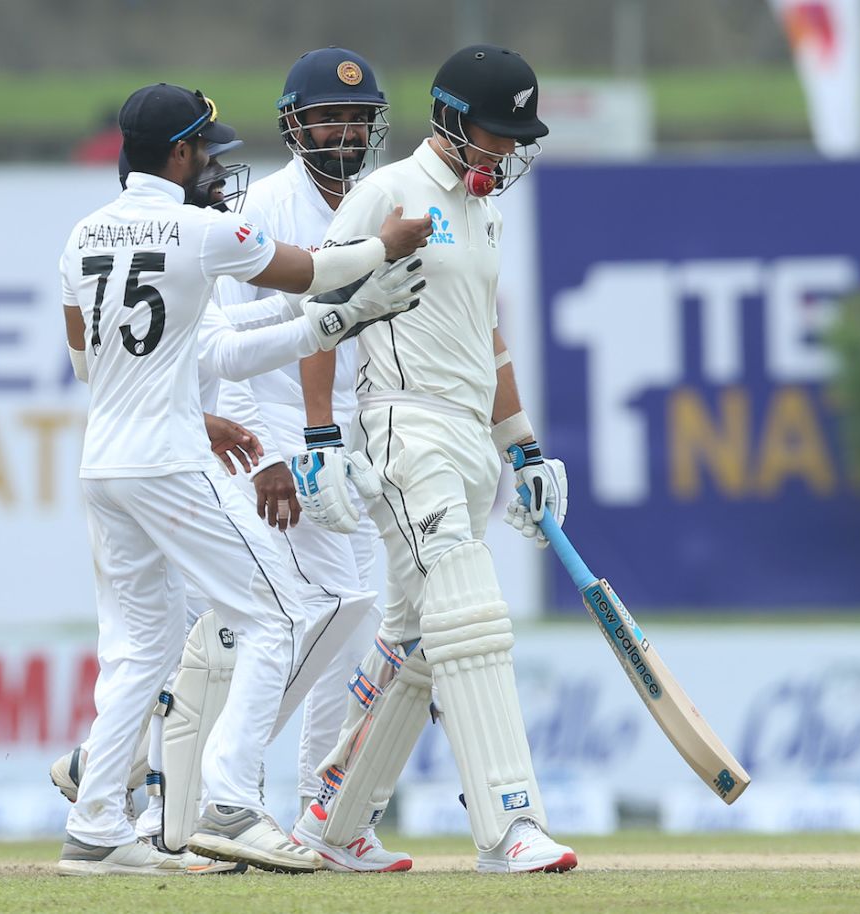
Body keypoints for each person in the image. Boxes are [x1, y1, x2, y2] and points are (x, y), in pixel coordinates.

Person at [56, 81, 429, 876]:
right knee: (276, 615)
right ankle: (229, 801)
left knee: (138, 646)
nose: (213, 168)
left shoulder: (82, 237)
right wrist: (389, 249)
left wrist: (335, 324)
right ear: (182, 152)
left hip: (104, 464)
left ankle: (95, 828)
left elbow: (97, 360)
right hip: (168, 462)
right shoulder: (200, 230)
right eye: (205, 152)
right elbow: (315, 269)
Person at [286, 45, 579, 874]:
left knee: (417, 637)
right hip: (402, 428)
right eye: (495, 133)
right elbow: (324, 306)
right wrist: (319, 439)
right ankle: (508, 823)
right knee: (471, 615)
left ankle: (332, 822)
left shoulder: (483, 212)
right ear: (450, 120)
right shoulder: (387, 193)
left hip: (466, 436)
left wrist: (520, 446)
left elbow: (486, 337)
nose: (506, 152)